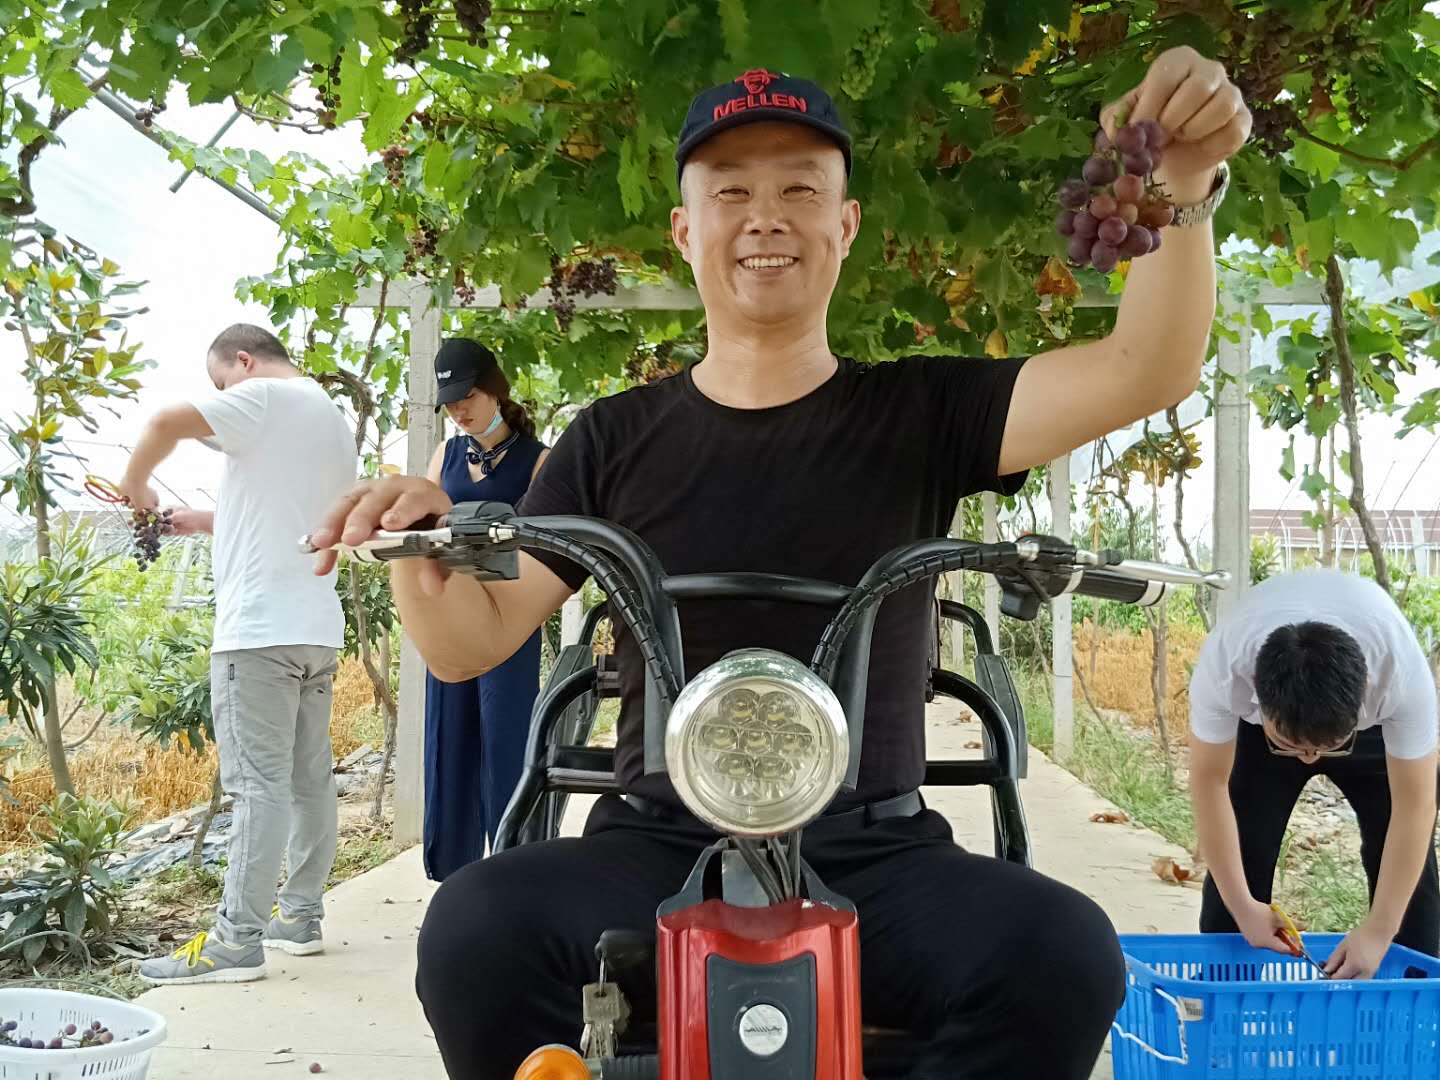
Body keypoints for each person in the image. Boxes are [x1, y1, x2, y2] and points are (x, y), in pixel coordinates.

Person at [311, 52, 1250, 1079]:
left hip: (873, 847)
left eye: (801, 189)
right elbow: (473, 642)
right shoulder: (610, 438)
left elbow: (1145, 367)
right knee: (475, 930)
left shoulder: (926, 412)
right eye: (732, 193)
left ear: (844, 227)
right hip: (655, 841)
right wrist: (417, 545)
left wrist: (1182, 189)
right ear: (686, 230)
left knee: (1062, 954)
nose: (767, 217)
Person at [123, 324, 357, 985]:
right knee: (310, 782)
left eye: (220, 383)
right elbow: (284, 512)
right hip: (314, 627)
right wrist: (197, 520)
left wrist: (134, 483)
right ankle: (300, 917)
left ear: (244, 362)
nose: (222, 399)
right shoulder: (328, 417)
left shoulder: (263, 397)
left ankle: (236, 942)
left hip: (257, 636)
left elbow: (166, 420)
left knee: (257, 789)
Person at [1189, 569, 1439, 978]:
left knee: (1410, 871)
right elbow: (1208, 781)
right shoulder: (1225, 668)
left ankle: (1410, 1005)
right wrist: (1242, 907)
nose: (1308, 758)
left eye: (1323, 748)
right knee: (1245, 843)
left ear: (1368, 688)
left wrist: (1379, 931)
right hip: (1271, 728)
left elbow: (1416, 805)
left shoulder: (1401, 675)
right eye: (1293, 747)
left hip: (1361, 728)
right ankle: (1223, 1007)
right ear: (1255, 690)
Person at [422, 337, 549, 880]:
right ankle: (455, 879)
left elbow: (541, 543)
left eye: (468, 395)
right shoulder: (445, 455)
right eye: (450, 402)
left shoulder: (539, 460)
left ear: (495, 387)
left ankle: (513, 869)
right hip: (451, 614)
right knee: (448, 742)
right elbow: (423, 529)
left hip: (510, 619)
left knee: (507, 740)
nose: (460, 410)